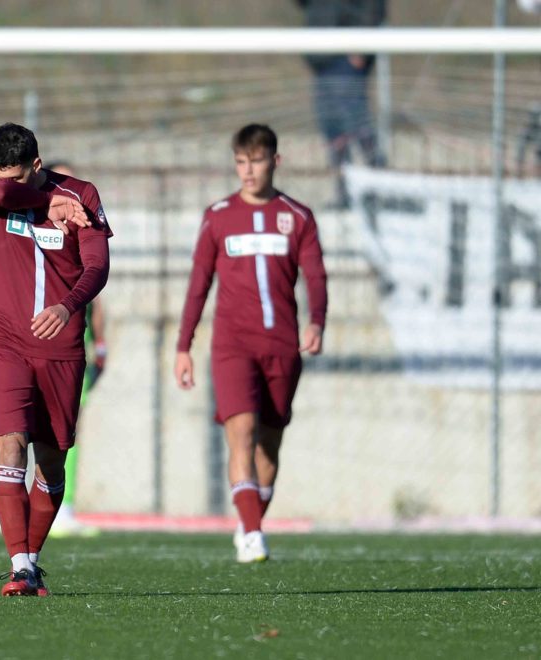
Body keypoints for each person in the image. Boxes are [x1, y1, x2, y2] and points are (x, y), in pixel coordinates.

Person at [0, 123, 112, 596]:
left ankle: (31, 559)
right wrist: (43, 203)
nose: (2, 185)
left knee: (51, 463)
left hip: (60, 348)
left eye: (15, 178)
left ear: (37, 165)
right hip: (3, 342)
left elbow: (98, 266)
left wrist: (67, 307)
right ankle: (21, 567)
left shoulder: (82, 195)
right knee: (10, 445)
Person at [175, 124, 327, 563]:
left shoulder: (298, 217)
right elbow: (199, 283)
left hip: (281, 345)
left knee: (268, 448)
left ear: (274, 162)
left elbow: (316, 275)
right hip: (232, 346)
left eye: (256, 161)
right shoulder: (218, 215)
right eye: (241, 162)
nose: (248, 170)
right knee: (240, 434)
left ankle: (248, 523)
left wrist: (316, 322)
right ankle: (255, 534)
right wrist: (184, 345)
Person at [45, 162, 106, 539]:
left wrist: (101, 344)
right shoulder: (29, 224)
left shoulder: (85, 229)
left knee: (68, 427)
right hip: (30, 337)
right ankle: (2, 506)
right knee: (14, 424)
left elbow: (96, 291)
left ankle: (63, 509)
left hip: (72, 342)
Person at [296, 0, 387, 208]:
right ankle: (344, 194)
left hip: (347, 55)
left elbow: (375, 7)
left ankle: (380, 190)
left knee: (357, 124)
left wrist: (362, 48)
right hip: (320, 57)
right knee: (332, 129)